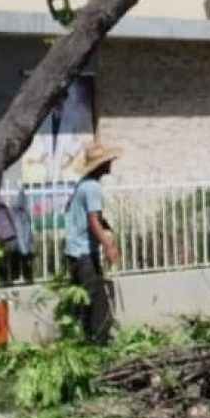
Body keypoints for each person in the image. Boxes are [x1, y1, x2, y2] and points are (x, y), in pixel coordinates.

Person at [64, 142, 121, 343]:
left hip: (75, 250)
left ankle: (88, 339)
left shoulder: (83, 184)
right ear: (100, 165)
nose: (110, 163)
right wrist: (109, 246)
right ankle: (100, 342)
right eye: (107, 161)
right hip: (84, 251)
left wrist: (104, 226)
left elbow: (83, 215)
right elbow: (92, 220)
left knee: (86, 299)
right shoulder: (93, 187)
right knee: (97, 301)